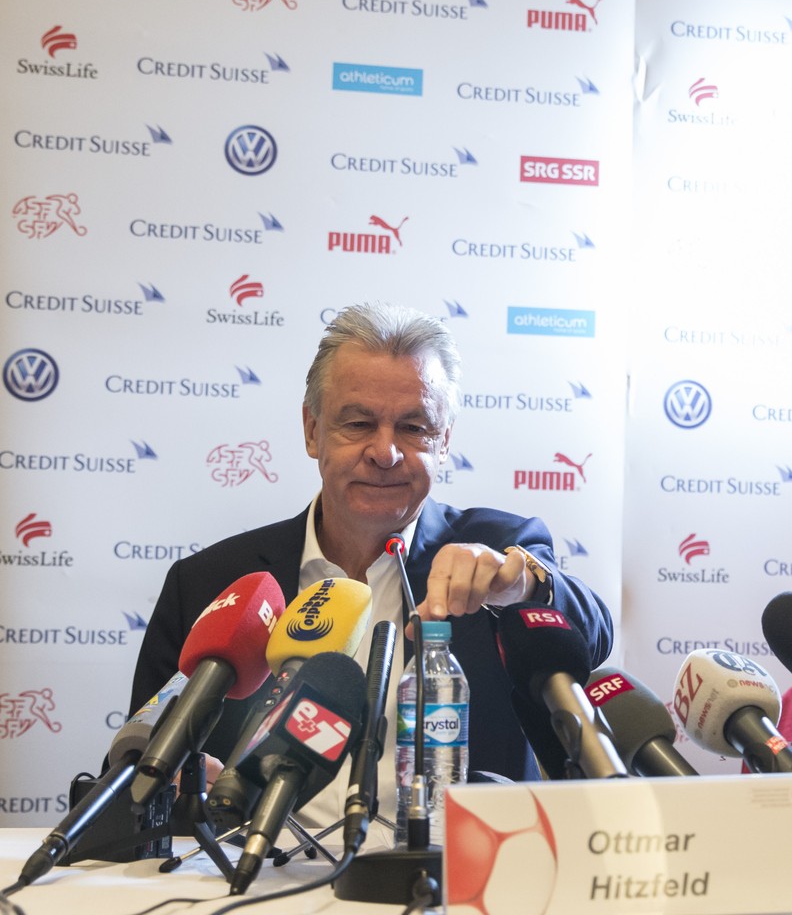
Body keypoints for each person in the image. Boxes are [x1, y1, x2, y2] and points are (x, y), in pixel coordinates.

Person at [130, 302, 613, 790]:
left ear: (444, 441)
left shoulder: (500, 550)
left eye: (413, 427)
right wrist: (179, 790)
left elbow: (592, 636)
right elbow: (137, 770)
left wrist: (521, 585)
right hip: (255, 861)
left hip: (454, 860)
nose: (385, 453)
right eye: (358, 424)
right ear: (313, 431)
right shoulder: (210, 584)